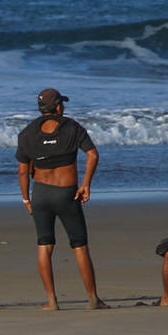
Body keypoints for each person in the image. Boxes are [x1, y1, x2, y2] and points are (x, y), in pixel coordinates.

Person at [16, 88, 108, 310]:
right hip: (66, 194)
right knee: (79, 246)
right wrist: (86, 184)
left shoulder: (27, 133)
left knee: (44, 245)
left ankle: (51, 300)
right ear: (58, 106)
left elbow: (22, 171)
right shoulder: (71, 127)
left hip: (40, 194)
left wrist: (26, 199)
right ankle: (93, 298)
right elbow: (93, 154)